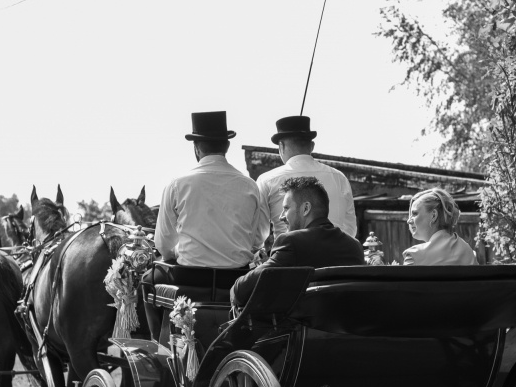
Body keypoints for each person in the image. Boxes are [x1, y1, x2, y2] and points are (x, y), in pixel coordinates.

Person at [142, 111, 268, 338]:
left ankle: (158, 344)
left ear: (196, 148)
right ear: (227, 146)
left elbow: (163, 245)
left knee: (146, 280)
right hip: (234, 281)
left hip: (189, 280)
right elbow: (259, 239)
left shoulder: (177, 185)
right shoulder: (250, 186)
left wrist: (179, 252)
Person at [231, 176, 364, 307]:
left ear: (306, 208)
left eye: (286, 208)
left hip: (303, 327)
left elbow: (241, 290)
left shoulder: (290, 242)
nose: (281, 216)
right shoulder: (354, 247)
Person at [256, 115, 357, 241]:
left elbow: (259, 234)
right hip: (337, 257)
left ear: (281, 146)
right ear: (312, 146)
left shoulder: (266, 180)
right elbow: (350, 229)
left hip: (289, 256)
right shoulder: (339, 178)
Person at [402, 188, 478, 266]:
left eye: (414, 214)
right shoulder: (469, 253)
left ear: (433, 215)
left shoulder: (414, 256)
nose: (409, 221)